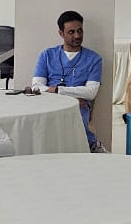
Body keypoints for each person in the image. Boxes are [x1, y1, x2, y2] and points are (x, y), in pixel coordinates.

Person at [29, 11, 106, 153]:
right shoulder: (47, 55)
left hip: (79, 107)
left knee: (75, 117)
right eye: (71, 32)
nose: (77, 36)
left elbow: (91, 92)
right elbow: (37, 86)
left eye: (80, 31)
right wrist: (73, 97)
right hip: (50, 102)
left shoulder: (94, 59)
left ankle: (90, 146)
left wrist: (57, 90)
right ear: (61, 33)